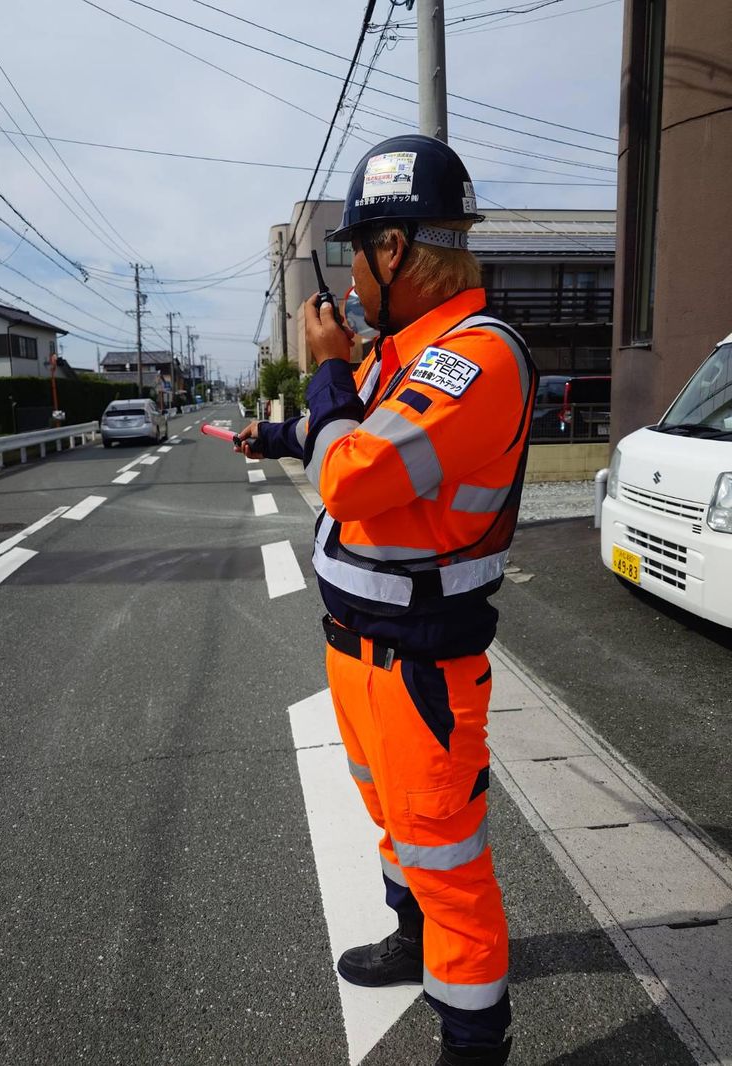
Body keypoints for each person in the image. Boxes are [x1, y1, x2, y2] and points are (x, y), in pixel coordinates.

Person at [237, 134, 537, 1066]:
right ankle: (413, 940)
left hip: (421, 663)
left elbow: (360, 473)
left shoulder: (473, 359)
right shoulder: (404, 352)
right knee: (393, 824)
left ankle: (474, 1040)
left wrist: (325, 368)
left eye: (355, 257)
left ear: (395, 249)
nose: (350, 287)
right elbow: (347, 428)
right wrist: (281, 435)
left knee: (449, 861)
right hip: (360, 650)